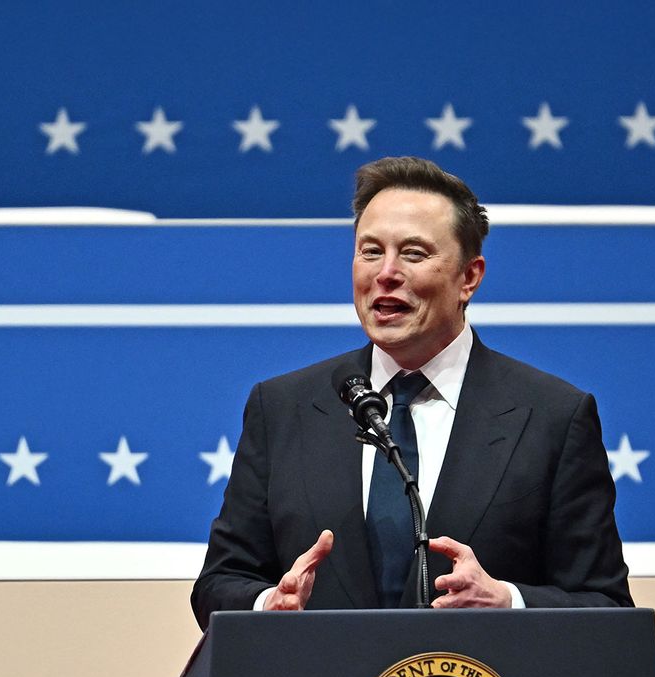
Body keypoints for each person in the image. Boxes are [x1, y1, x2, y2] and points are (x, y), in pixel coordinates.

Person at [191, 156, 631, 630]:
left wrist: (507, 601)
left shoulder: (552, 416)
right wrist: (267, 606)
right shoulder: (282, 408)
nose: (386, 273)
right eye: (371, 251)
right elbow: (221, 581)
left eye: (415, 254)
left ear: (469, 277)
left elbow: (605, 607)